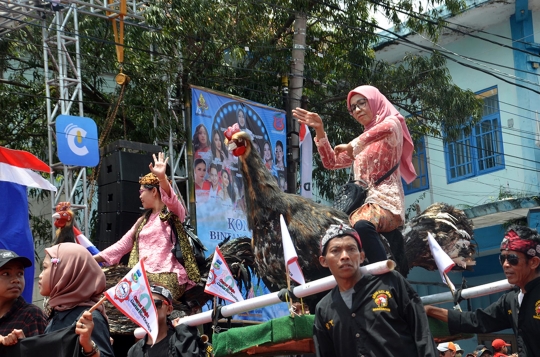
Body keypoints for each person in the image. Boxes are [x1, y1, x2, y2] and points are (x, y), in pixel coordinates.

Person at [293, 85, 417, 265]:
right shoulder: (363, 141)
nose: (357, 110)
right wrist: (320, 129)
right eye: (353, 108)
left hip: (386, 203)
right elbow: (331, 162)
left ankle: (383, 273)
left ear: (375, 102)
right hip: (360, 204)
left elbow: (387, 127)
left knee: (361, 224)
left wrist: (353, 145)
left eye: (361, 103)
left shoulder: (393, 125)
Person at [313, 224, 438, 357]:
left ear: (361, 256)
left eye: (351, 249)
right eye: (335, 251)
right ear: (323, 261)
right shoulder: (323, 309)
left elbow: (422, 333)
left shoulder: (390, 283)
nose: (344, 256)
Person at [424, 225, 540, 357]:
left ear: (533, 262)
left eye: (513, 259)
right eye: (502, 259)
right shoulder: (511, 300)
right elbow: (476, 321)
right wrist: (430, 310)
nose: (506, 264)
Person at [95, 153, 197, 300]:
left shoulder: (172, 213)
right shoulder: (143, 221)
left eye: (141, 192)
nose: (139, 196)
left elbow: (172, 199)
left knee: (152, 303)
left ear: (154, 191)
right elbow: (121, 245)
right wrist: (92, 258)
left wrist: (162, 178)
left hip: (167, 276)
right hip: (142, 277)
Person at [1, 243, 114, 356]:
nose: (40, 275)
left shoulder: (89, 317)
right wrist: (25, 344)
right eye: (6, 274)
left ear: (66, 272)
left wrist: (89, 345)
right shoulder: (58, 316)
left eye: (45, 268)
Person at [128, 285, 211, 357]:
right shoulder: (134, 351)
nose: (149, 308)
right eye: (143, 304)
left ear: (169, 309)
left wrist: (184, 334)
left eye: (155, 303)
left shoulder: (182, 340)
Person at [0, 249, 47, 338]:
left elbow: (41, 351)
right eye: (6, 274)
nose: (16, 280)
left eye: (20, 273)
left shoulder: (32, 315)